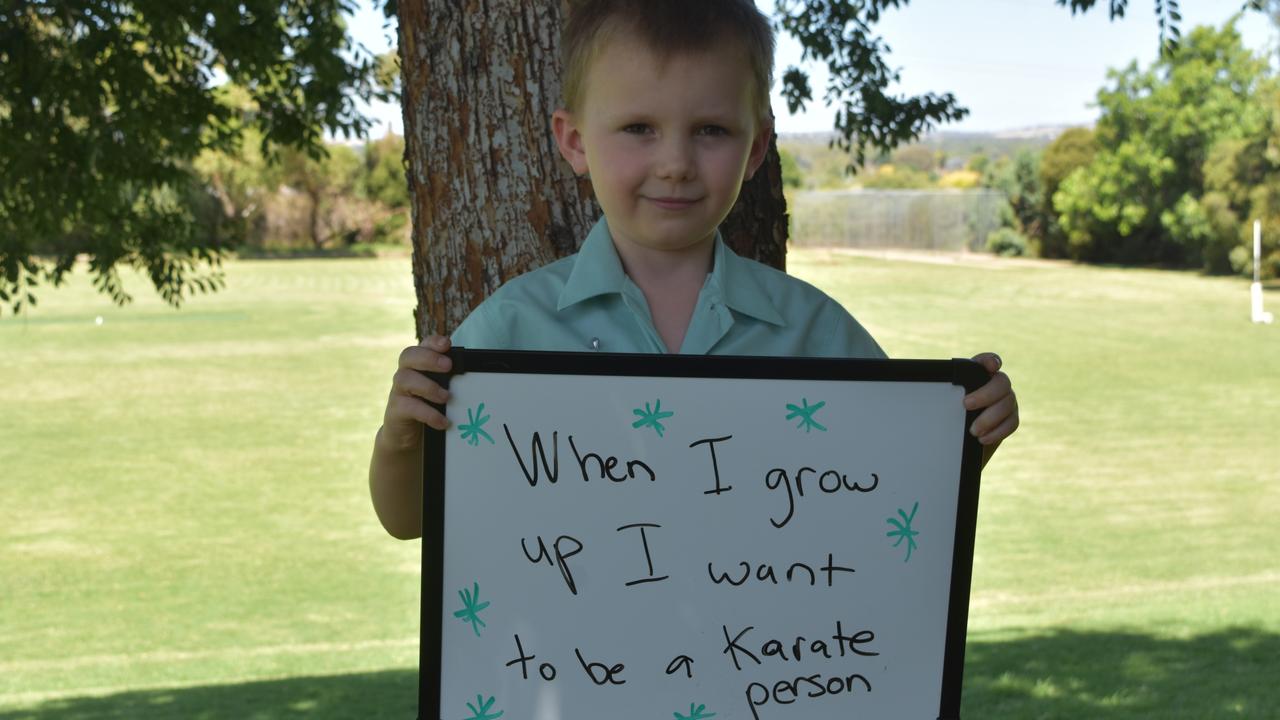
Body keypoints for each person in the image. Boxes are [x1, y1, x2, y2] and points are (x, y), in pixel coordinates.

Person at [369, 0, 1019, 539]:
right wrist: (403, 437)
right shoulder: (510, 331)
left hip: (769, 676)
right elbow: (408, 522)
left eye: (710, 130)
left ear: (756, 145)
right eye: (638, 128)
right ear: (575, 142)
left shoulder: (814, 331)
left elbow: (885, 502)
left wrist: (964, 444)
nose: (676, 161)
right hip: (571, 684)